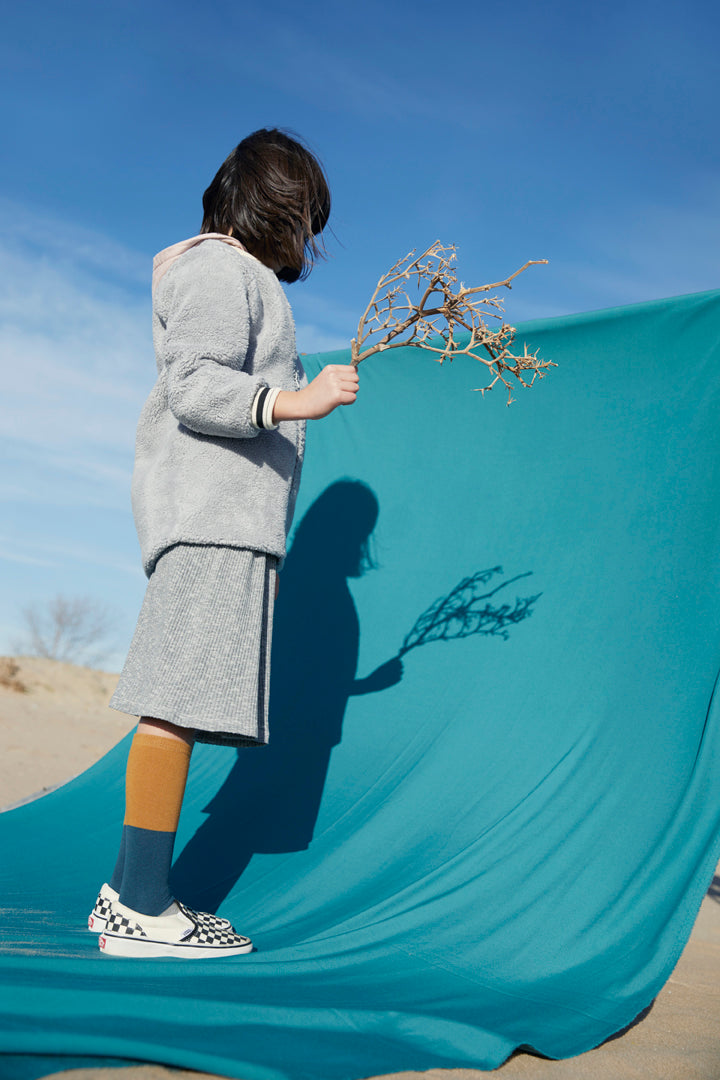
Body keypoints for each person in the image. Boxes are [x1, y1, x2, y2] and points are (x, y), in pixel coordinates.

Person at [87, 128, 359, 958]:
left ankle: (137, 896)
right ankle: (137, 906)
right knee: (173, 703)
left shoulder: (235, 276)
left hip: (232, 526)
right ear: (275, 207)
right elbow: (193, 384)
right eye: (306, 216)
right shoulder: (217, 269)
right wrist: (295, 402)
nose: (309, 238)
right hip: (211, 521)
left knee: (186, 701)